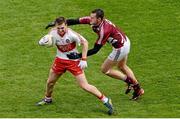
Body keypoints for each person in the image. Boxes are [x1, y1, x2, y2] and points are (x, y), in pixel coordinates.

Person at [46, 9, 144, 100]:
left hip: (120, 48)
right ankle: (138, 89)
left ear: (99, 19)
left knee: (105, 70)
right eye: (90, 16)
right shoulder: (95, 21)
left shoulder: (103, 31)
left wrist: (78, 56)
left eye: (92, 18)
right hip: (126, 41)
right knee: (122, 66)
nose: (90, 19)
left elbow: (95, 50)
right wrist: (55, 25)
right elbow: (75, 21)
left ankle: (130, 82)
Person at [37, 17, 114, 115]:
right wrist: (43, 42)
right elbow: (48, 38)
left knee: (84, 86)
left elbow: (85, 43)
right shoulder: (52, 32)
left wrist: (84, 59)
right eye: (58, 28)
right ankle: (48, 99)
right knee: (50, 82)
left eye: (62, 28)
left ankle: (106, 100)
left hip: (73, 62)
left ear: (66, 25)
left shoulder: (72, 35)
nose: (60, 30)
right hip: (60, 61)